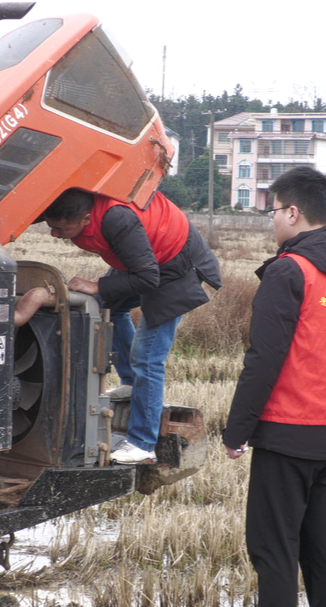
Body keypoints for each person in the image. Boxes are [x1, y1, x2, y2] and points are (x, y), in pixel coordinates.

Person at [223, 166, 326, 607]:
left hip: (286, 432)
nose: (271, 221)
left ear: (292, 213)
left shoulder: (289, 271)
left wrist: (237, 431)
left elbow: (263, 358)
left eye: (272, 212)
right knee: (324, 546)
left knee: (273, 548)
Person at [41, 188, 221, 464]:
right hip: (144, 262)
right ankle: (130, 383)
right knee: (109, 308)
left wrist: (98, 285)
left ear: (87, 219)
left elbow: (148, 278)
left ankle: (142, 444)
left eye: (61, 229)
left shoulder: (116, 220)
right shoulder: (82, 207)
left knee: (147, 357)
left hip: (174, 268)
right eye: (51, 227)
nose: (54, 234)